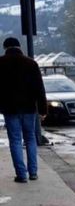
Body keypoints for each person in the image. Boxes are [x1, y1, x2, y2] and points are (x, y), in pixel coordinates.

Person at [0, 37, 47, 183]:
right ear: (19, 47)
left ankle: (21, 175)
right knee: (30, 139)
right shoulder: (31, 63)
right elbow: (40, 88)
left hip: (10, 109)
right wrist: (42, 110)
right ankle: (33, 172)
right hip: (29, 109)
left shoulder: (0, 63)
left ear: (5, 47)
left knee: (15, 141)